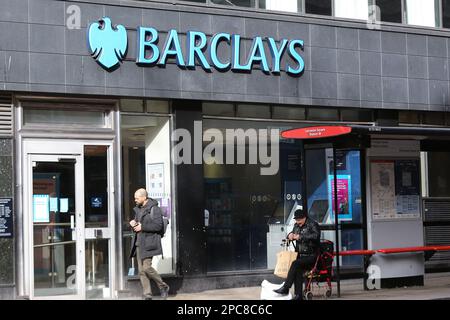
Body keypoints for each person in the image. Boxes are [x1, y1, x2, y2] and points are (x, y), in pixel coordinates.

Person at [129, 188, 170, 300]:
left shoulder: (154, 208)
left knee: (146, 267)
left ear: (144, 197)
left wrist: (143, 227)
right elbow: (138, 226)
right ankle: (147, 295)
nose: (135, 200)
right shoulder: (138, 209)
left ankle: (163, 286)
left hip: (149, 243)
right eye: (135, 198)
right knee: (141, 271)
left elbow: (158, 226)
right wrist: (134, 224)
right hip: (138, 242)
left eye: (137, 198)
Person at [273, 208, 320, 300]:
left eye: (299, 220)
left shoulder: (313, 224)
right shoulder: (296, 225)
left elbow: (316, 236)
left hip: (311, 255)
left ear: (304, 218)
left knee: (295, 263)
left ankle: (286, 288)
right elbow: (293, 233)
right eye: (296, 220)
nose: (298, 222)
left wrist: (300, 237)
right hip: (300, 256)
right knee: (297, 268)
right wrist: (289, 235)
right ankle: (298, 296)